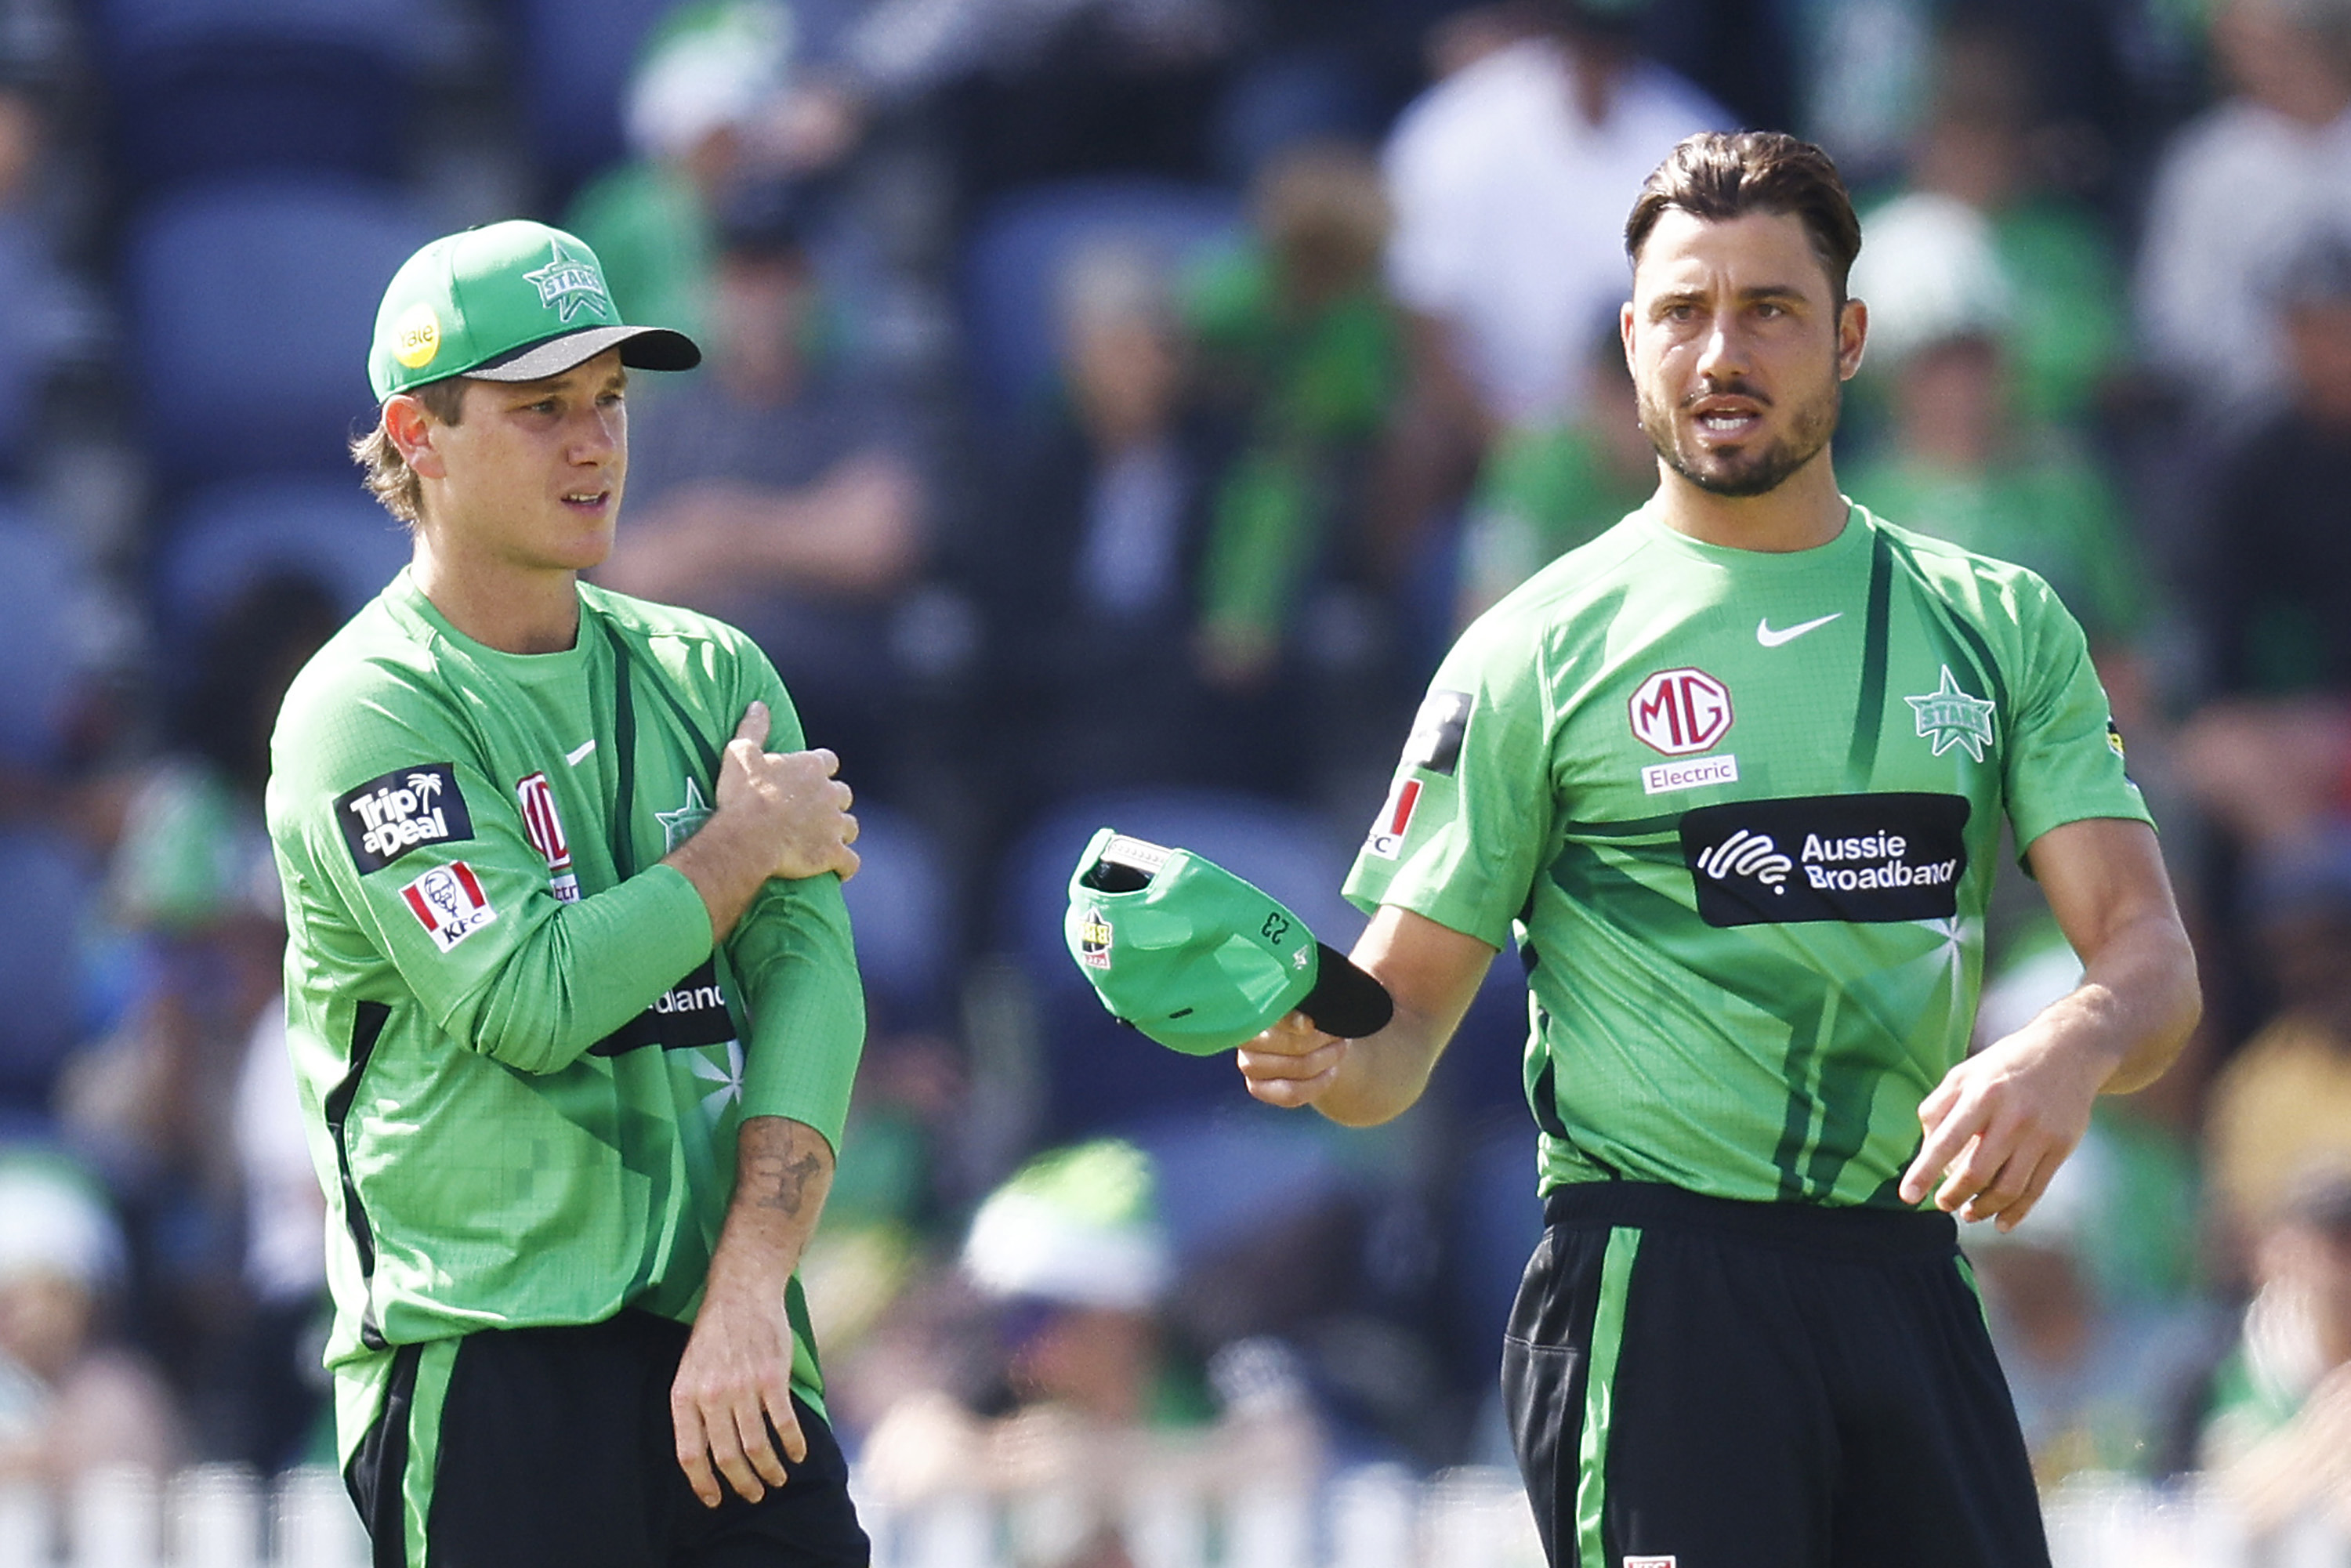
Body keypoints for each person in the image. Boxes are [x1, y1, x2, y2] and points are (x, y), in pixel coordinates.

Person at [1233, 131, 2201, 1567]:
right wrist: (1316, 1046)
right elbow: (1396, 1030)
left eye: (1770, 309)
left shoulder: (2000, 625)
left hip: (1911, 1275)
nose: (1720, 350)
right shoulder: (1530, 654)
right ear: (1633, 341)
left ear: (1850, 338)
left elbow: (2152, 963)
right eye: (1683, 311)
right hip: (1658, 1288)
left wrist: (2064, 1044)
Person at [266, 219, 871, 1566]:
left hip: (731, 1342)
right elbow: (531, 1001)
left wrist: (753, 1284)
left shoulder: (716, 672)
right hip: (488, 1359)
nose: (597, 445)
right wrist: (732, 851)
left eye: (609, 402)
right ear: (416, 433)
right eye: (542, 410)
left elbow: (814, 986)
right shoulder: (365, 709)